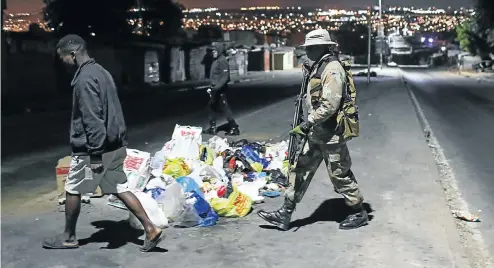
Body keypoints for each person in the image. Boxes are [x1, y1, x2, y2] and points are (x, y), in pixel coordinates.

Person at [42, 34, 164, 252]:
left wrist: (95, 155)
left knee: (72, 188)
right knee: (118, 187)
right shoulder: (102, 72)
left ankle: (68, 237)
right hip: (116, 146)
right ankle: (150, 228)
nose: (63, 63)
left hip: (94, 150)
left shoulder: (84, 79)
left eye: (63, 58)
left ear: (72, 53)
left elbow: (92, 118)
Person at [257, 29, 369, 231]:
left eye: (310, 49)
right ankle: (285, 213)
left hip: (331, 134)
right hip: (316, 132)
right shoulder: (318, 66)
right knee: (299, 170)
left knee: (339, 175)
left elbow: (330, 105)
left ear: (321, 48)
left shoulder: (332, 69)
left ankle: (358, 212)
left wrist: (307, 123)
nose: (306, 52)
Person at [204, 45, 240, 136]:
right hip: (215, 89)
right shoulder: (216, 60)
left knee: (224, 107)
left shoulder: (222, 61)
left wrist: (216, 88)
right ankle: (212, 128)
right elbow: (215, 76)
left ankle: (234, 128)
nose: (213, 53)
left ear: (219, 52)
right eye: (213, 51)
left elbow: (225, 77)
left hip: (219, 89)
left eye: (215, 51)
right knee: (212, 107)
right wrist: (211, 87)